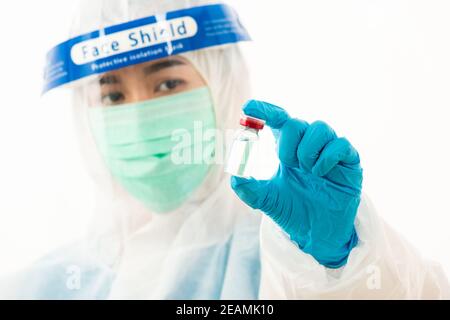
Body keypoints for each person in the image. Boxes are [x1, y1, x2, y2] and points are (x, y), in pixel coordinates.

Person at [1, 0, 448, 299]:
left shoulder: (286, 253)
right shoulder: (46, 286)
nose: (138, 116)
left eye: (168, 82)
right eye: (112, 96)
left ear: (224, 86)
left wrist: (338, 268)